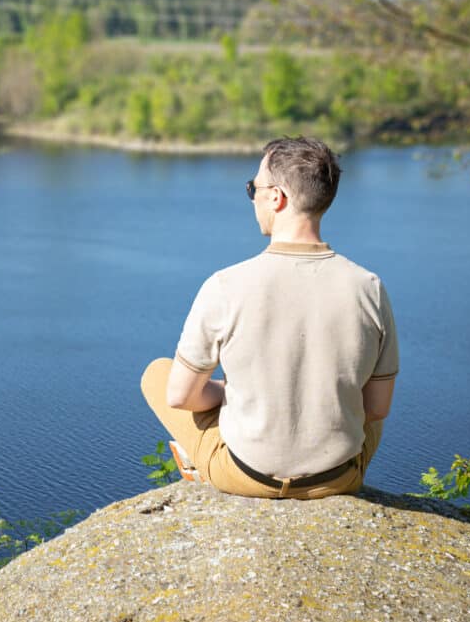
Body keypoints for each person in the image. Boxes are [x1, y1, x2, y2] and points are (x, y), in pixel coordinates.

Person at [141, 136, 398, 500]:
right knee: (368, 403)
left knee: (158, 374)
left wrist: (233, 391)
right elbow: (377, 408)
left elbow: (181, 397)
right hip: (336, 479)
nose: (252, 197)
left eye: (253, 188)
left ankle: (202, 460)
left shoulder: (225, 285)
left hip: (246, 476)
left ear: (276, 197)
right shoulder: (369, 287)